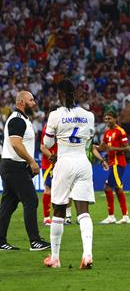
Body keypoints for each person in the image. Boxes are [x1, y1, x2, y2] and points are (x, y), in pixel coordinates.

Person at [42, 79, 96, 268]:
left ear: (60, 95)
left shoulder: (55, 115)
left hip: (64, 161)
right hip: (83, 161)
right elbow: (90, 138)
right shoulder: (88, 115)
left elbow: (47, 145)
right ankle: (87, 254)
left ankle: (55, 258)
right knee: (83, 211)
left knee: (58, 209)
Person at [0, 91, 50, 251]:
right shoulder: (17, 119)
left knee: (9, 204)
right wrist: (31, 161)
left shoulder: (23, 120)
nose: (34, 103)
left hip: (11, 166)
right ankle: (35, 241)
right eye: (31, 100)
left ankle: (0, 240)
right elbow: (15, 143)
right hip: (15, 166)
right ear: (21, 102)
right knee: (31, 201)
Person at [99, 107, 130, 225]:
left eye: (109, 118)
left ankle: (123, 216)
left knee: (114, 188)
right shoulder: (107, 133)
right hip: (112, 164)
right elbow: (103, 147)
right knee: (110, 188)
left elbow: (127, 148)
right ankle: (115, 216)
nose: (107, 121)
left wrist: (114, 148)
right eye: (106, 118)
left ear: (115, 119)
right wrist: (92, 146)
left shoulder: (120, 131)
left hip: (118, 163)